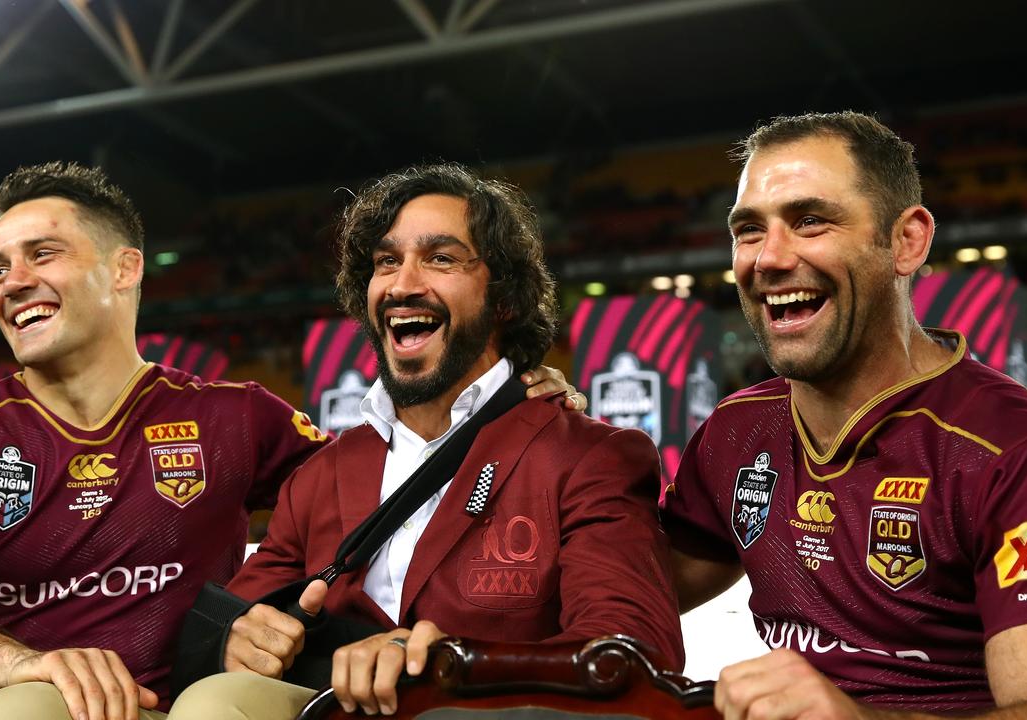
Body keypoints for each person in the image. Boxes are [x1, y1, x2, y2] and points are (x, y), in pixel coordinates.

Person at [0, 161, 580, 720]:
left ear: (125, 268)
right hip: (45, 709)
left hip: (206, 705)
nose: (14, 281)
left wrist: (498, 408)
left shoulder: (238, 417)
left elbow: (390, 498)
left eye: (43, 254)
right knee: (25, 711)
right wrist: (23, 667)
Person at [168, 162, 683, 719]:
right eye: (387, 261)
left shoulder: (589, 458)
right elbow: (231, 623)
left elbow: (631, 655)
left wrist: (456, 670)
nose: (402, 284)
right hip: (327, 709)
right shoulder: (321, 475)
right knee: (216, 702)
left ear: (504, 299)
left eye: (440, 258)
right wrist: (239, 639)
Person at [660, 112, 1027, 719]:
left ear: (906, 242)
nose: (769, 258)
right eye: (750, 230)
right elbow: (615, 592)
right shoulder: (736, 432)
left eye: (810, 221)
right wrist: (544, 434)